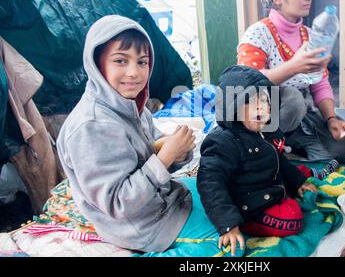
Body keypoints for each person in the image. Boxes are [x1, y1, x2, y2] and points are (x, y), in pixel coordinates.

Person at [57, 15, 236, 256]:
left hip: (162, 200)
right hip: (140, 226)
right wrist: (165, 156)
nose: (134, 73)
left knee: (229, 191)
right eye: (121, 61)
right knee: (230, 247)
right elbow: (118, 203)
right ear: (97, 65)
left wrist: (175, 150)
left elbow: (150, 150)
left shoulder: (132, 104)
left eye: (142, 62)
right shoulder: (91, 127)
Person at [198, 65, 318, 255]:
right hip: (246, 205)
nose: (261, 107)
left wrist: (298, 181)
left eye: (265, 100)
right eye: (252, 102)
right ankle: (247, 222)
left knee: (299, 173)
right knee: (292, 220)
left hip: (267, 187)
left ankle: (290, 188)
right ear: (233, 108)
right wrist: (228, 223)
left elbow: (280, 159)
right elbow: (210, 183)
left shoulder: (267, 130)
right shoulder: (222, 142)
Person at [237, 0, 345, 162]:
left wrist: (331, 118)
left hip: (298, 116)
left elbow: (320, 82)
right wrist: (294, 67)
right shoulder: (257, 34)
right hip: (264, 115)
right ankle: (262, 147)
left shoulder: (309, 35)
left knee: (341, 149)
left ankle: (287, 148)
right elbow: (247, 83)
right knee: (293, 98)